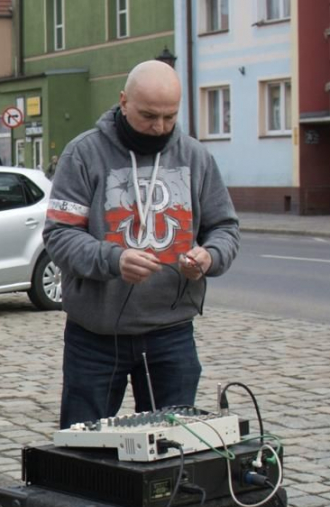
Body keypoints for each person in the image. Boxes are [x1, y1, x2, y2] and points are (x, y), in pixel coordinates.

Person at [44, 60, 239, 428]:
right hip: (96, 336)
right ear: (123, 101)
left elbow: (226, 229)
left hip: (172, 332)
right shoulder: (83, 154)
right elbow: (59, 235)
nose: (160, 127)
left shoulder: (196, 156)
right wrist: (113, 260)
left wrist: (209, 257)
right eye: (149, 115)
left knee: (173, 451)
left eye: (170, 117)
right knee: (81, 448)